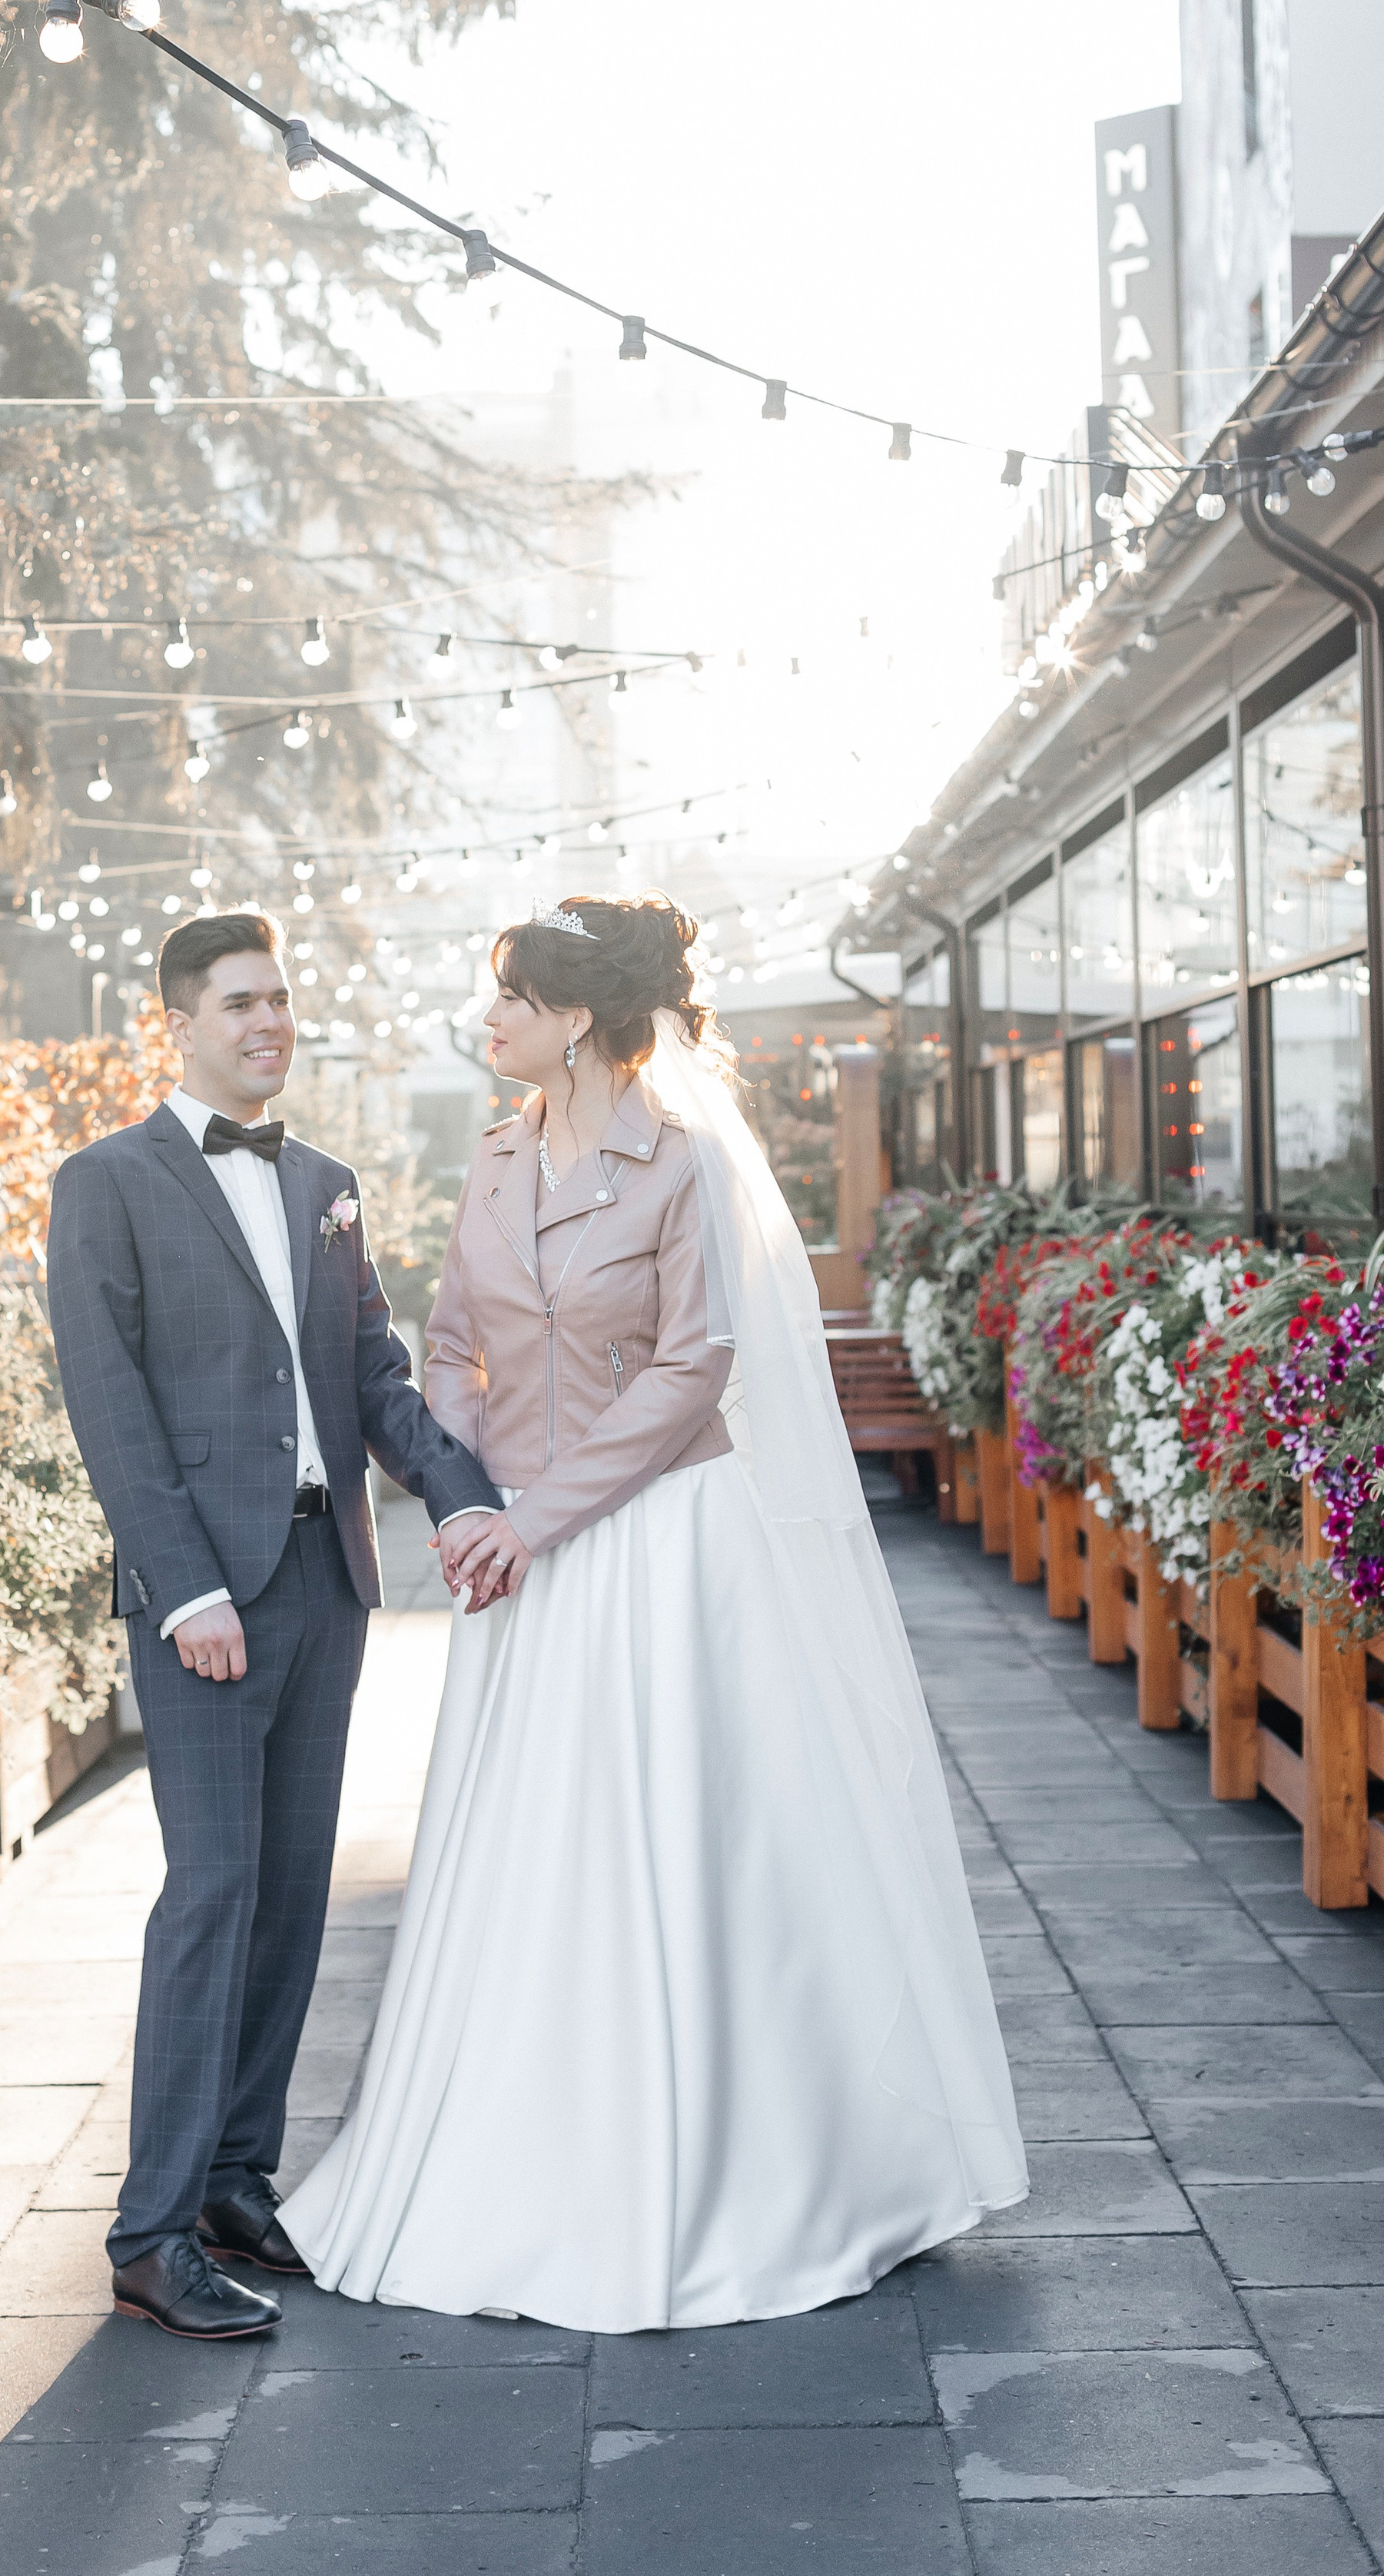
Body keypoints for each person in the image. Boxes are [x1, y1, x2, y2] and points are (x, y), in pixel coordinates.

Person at [283, 895, 1027, 2332]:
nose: (486, 1020)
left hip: (659, 1545)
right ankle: (517, 2142)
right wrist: (458, 1497)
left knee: (680, 1844)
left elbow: (693, 1370)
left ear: (573, 1023)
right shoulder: (492, 1159)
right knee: (530, 1848)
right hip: (512, 1549)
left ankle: (745, 2165)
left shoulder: (679, 1164)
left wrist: (533, 1515)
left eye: (508, 998)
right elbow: (448, 1344)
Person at [45, 910, 502, 2340]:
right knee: (211, 1898)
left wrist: (475, 1498)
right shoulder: (105, 1182)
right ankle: (152, 2229)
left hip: (327, 1581)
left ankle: (241, 2179)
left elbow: (373, 1376)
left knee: (294, 1897)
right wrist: (184, 1588)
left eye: (282, 1001)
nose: (269, 1024)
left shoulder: (324, 1184)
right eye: (241, 1003)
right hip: (207, 1600)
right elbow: (108, 1403)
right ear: (175, 1020)